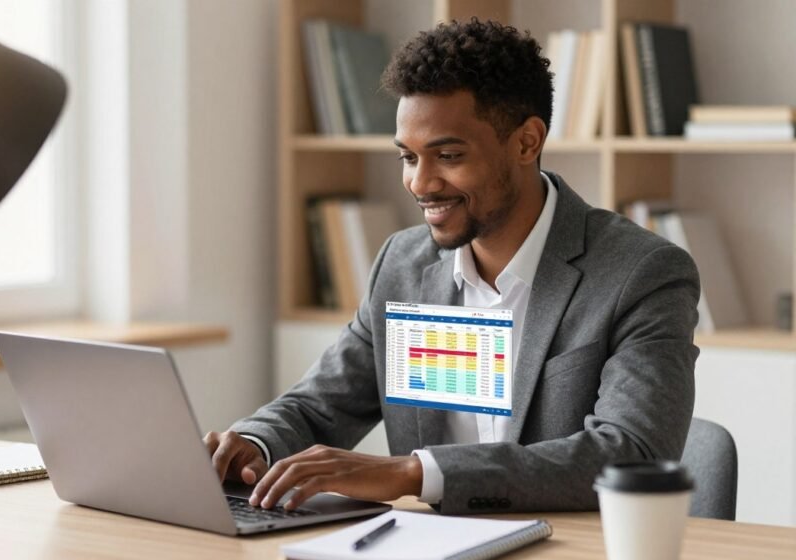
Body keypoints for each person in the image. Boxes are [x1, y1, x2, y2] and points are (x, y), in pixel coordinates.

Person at [204, 19, 699, 515]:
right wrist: (254, 443)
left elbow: (631, 454)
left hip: (568, 555)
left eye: (448, 155)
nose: (421, 183)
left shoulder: (641, 273)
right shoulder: (402, 264)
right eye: (408, 157)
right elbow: (320, 405)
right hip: (428, 554)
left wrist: (413, 473)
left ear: (527, 142)